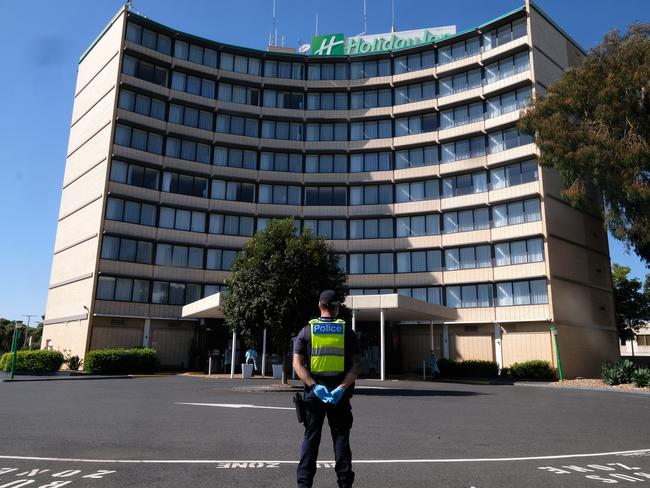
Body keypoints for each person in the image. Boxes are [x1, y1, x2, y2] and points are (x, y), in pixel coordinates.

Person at [293, 290, 362, 488]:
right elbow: (356, 367)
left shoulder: (306, 331)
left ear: (320, 306)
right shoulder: (348, 332)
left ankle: (304, 485)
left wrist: (314, 386)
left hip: (314, 395)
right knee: (341, 440)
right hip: (339, 397)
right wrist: (341, 388)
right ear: (337, 307)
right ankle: (344, 484)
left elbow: (298, 365)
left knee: (311, 439)